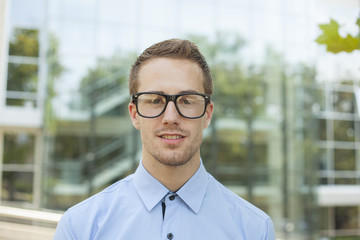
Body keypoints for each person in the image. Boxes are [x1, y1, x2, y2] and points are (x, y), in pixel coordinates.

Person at [53, 38, 276, 240]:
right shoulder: (79, 228)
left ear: (207, 114)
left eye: (187, 101)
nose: (171, 117)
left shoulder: (255, 230)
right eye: (155, 101)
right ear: (134, 114)